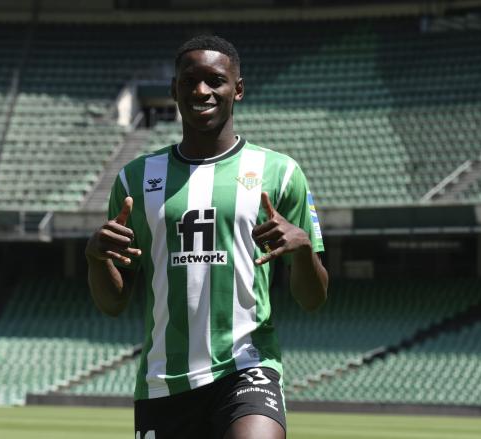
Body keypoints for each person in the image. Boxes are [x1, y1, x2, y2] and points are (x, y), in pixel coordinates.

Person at [85, 35, 328, 439]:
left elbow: (313, 298)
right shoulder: (135, 179)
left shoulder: (281, 174)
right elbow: (113, 302)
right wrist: (96, 260)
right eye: (189, 80)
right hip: (164, 382)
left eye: (215, 80)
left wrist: (302, 252)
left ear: (238, 88)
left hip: (248, 367)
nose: (201, 90)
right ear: (174, 90)